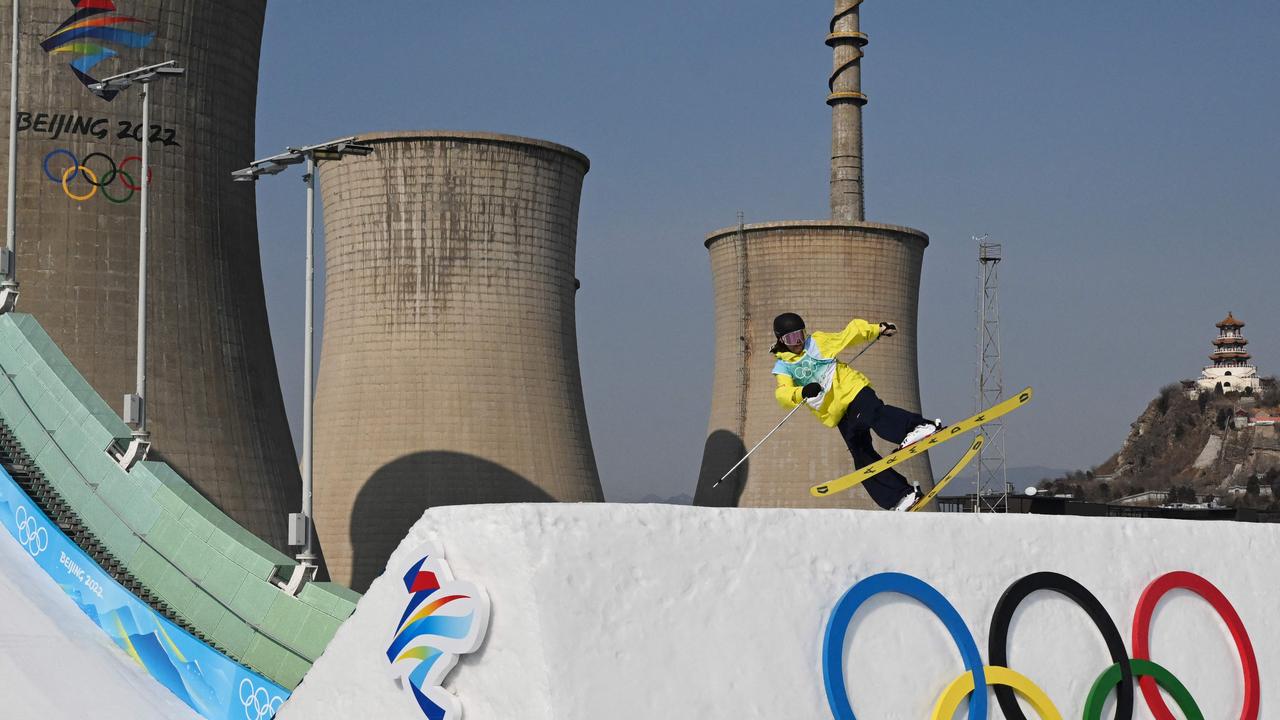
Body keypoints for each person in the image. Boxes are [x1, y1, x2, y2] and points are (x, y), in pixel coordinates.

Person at [771, 312, 940, 511]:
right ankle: (901, 496)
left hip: (853, 391)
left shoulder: (816, 342)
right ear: (781, 340)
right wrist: (801, 392)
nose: (798, 341)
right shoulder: (783, 367)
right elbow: (782, 394)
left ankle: (919, 427)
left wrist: (877, 329)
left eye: (800, 335)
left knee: (875, 416)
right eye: (791, 338)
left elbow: (848, 335)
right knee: (861, 455)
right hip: (837, 412)